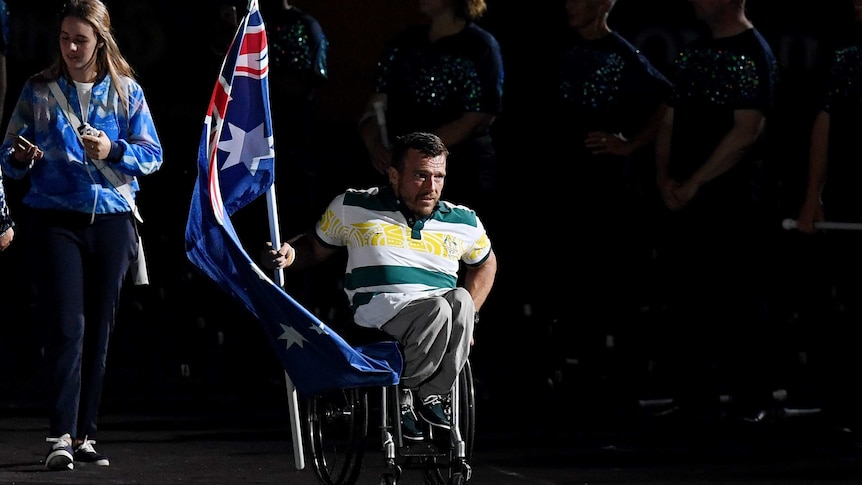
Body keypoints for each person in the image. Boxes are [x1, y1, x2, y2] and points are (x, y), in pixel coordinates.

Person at [0, 0, 163, 471]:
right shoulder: (38, 89)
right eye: (65, 38)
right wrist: (21, 157)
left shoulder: (126, 91)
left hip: (112, 220)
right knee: (67, 326)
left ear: (101, 41)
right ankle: (60, 435)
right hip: (54, 217)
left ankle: (88, 433)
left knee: (100, 329)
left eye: (81, 39)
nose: (71, 47)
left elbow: (153, 155)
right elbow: (8, 152)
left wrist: (115, 149)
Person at [264, 132, 497, 441]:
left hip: (438, 312)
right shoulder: (354, 205)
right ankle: (409, 396)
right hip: (381, 310)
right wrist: (289, 253)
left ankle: (427, 396)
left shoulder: (464, 220)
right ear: (394, 175)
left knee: (461, 302)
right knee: (441, 308)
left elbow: (485, 263)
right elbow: (313, 246)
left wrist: (469, 319)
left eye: (438, 176)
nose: (431, 187)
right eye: (420, 176)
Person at [653, 0, 779, 424]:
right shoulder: (695, 50)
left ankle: (751, 397)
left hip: (732, 200)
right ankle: (695, 395)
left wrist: (694, 182)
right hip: (686, 196)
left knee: (738, 298)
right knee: (688, 298)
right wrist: (665, 176)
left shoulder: (752, 50)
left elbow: (746, 132)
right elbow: (670, 116)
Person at [546, 0, 672, 388]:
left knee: (609, 277)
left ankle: (617, 371)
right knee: (570, 278)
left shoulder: (621, 53)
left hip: (602, 185)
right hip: (560, 180)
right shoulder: (557, 48)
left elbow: (667, 100)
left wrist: (631, 143)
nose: (571, 6)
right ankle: (578, 362)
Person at [357, 0, 503, 221]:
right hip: (402, 172)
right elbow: (376, 102)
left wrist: (416, 152)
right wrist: (374, 144)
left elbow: (479, 116)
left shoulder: (480, 46)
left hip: (459, 172)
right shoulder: (406, 41)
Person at [793, 0, 862, 434]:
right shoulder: (845, 50)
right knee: (844, 304)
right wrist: (811, 194)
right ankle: (843, 405)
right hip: (848, 195)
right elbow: (825, 119)